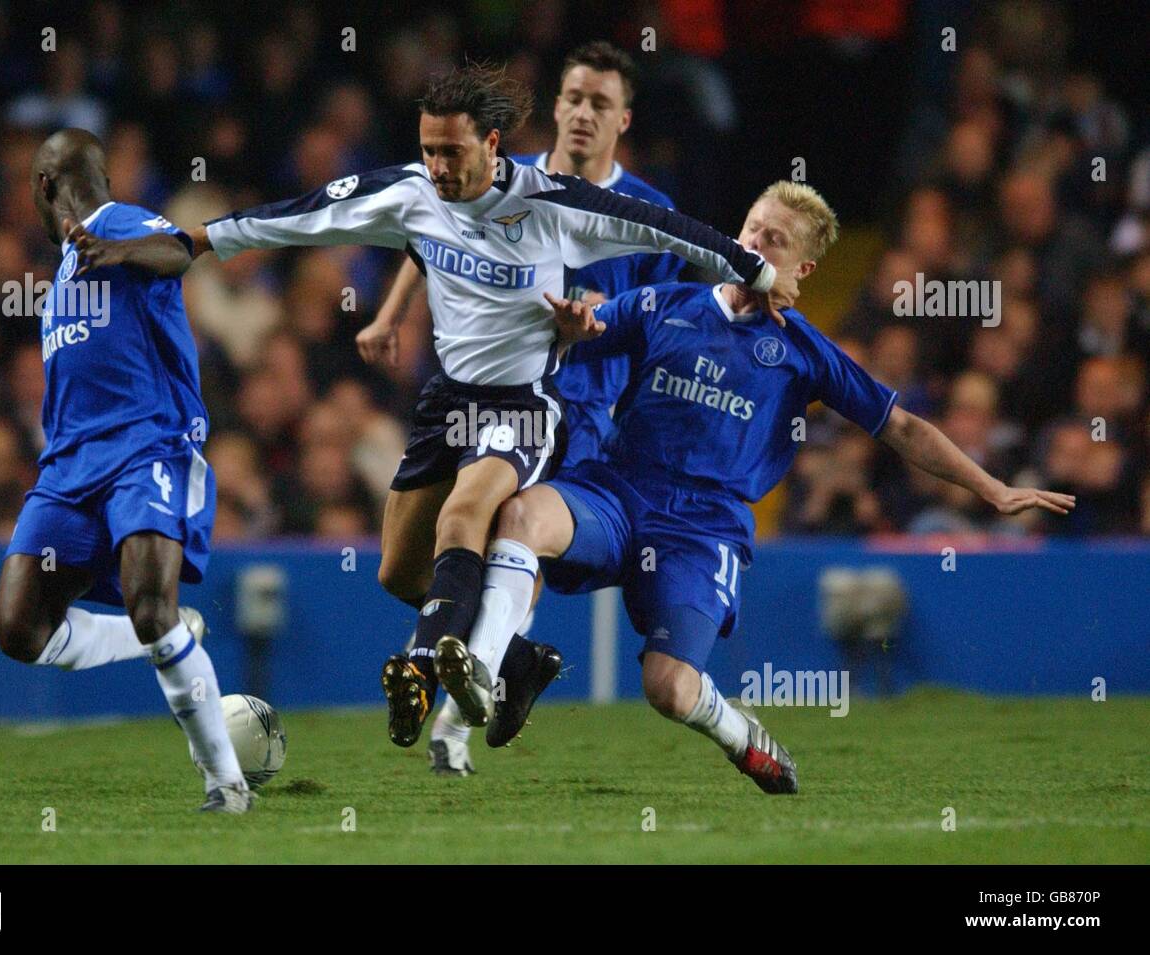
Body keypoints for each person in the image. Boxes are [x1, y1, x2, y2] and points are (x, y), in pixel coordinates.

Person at [187, 63, 796, 753]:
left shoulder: (556, 202)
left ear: (493, 144)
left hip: (534, 402)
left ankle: (423, 672)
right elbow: (313, 218)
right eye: (429, 150)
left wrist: (755, 272)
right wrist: (195, 243)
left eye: (452, 151)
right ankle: (516, 664)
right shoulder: (418, 192)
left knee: (473, 518)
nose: (439, 165)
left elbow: (671, 232)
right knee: (399, 572)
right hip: (448, 399)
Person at [460, 181, 1075, 793]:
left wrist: (991, 489)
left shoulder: (804, 352)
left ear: (802, 267)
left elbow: (903, 428)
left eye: (773, 239)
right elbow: (575, 334)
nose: (754, 242)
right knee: (521, 516)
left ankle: (739, 735)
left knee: (668, 689)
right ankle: (482, 674)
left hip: (701, 529)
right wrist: (569, 326)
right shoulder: (663, 304)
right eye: (751, 228)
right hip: (618, 493)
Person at [367, 42, 682, 775]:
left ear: (623, 119)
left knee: (510, 538)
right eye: (572, 96)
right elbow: (430, 241)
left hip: (580, 407)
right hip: (481, 392)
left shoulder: (647, 215)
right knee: (407, 567)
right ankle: (515, 665)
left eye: (599, 103)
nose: (581, 113)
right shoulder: (514, 181)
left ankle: (449, 723)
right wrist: (388, 316)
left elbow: (663, 320)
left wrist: (604, 318)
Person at [0, 129, 252, 813]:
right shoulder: (62, 282)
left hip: (146, 448)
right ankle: (157, 639)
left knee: (149, 601)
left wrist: (120, 250)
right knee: (18, 627)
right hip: (69, 469)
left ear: (45, 187)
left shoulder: (121, 223)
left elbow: (178, 251)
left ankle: (226, 784)